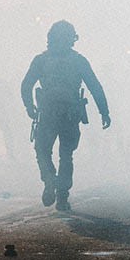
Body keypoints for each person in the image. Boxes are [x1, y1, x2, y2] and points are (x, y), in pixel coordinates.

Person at [20, 20, 110, 212]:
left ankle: (50, 180)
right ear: (72, 38)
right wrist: (104, 111)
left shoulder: (41, 60)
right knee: (66, 155)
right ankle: (62, 197)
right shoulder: (78, 61)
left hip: (47, 115)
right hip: (70, 116)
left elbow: (26, 85)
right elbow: (95, 86)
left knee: (43, 151)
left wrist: (30, 107)